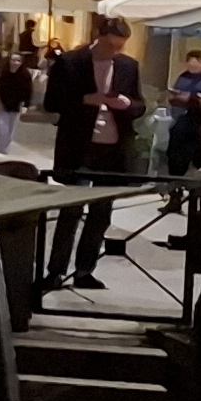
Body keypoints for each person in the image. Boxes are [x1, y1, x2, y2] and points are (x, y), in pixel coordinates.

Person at [40, 23, 146, 283]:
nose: (115, 51)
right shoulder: (70, 62)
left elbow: (140, 104)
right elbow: (51, 102)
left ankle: (85, 270)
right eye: (110, 45)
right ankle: (56, 271)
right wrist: (86, 100)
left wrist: (127, 104)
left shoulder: (128, 66)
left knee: (101, 212)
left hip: (113, 148)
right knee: (71, 211)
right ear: (98, 37)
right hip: (79, 146)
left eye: (120, 46)